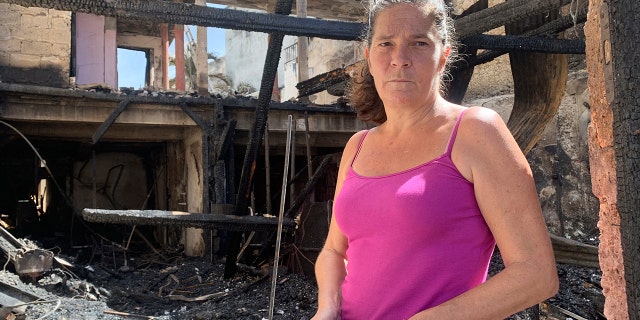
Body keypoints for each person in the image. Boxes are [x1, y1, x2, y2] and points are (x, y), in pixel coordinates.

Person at [311, 0, 559, 319]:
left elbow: (536, 275)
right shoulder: (356, 147)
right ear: (369, 58)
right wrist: (327, 308)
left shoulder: (475, 131)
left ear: (443, 56)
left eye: (419, 43)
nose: (400, 59)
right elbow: (334, 250)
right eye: (386, 44)